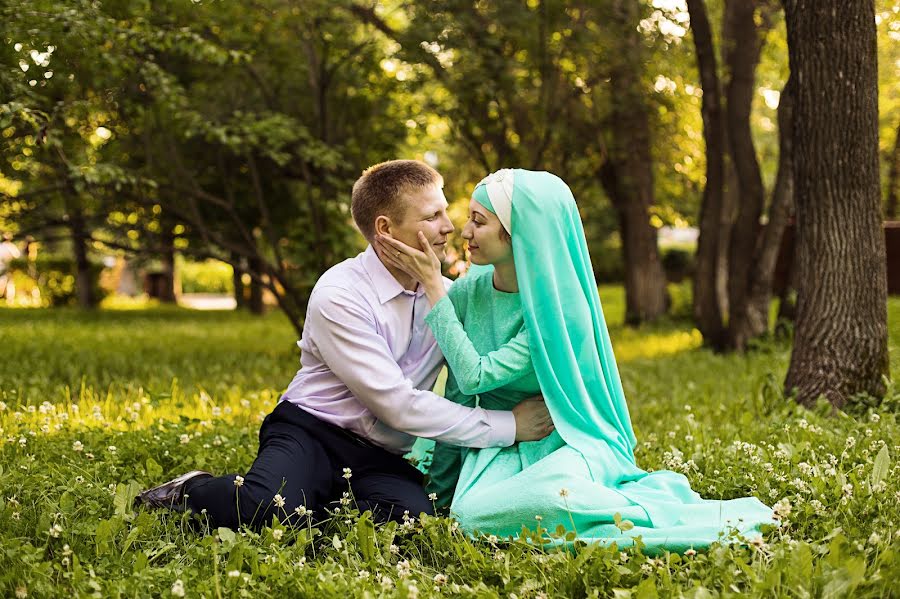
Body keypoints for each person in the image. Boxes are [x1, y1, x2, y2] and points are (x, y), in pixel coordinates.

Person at [136, 160, 554, 529]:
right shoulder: (340, 294)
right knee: (268, 510)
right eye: (432, 216)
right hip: (311, 430)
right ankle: (192, 489)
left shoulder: (446, 298)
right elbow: (395, 404)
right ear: (385, 229)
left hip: (382, 455)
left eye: (446, 211)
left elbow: (473, 372)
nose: (449, 227)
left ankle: (313, 500)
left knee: (411, 524)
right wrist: (510, 427)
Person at [375, 168, 775, 552]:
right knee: (469, 513)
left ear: (517, 234)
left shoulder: (555, 311)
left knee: (538, 502)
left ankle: (647, 512)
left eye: (478, 222)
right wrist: (441, 492)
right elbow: (461, 391)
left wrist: (431, 284)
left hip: (564, 436)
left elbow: (477, 375)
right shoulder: (473, 286)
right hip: (502, 434)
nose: (464, 232)